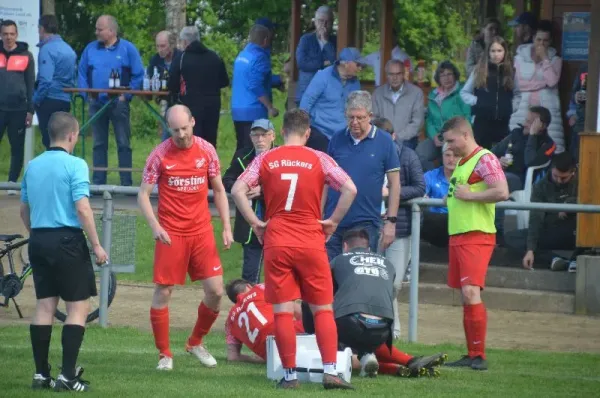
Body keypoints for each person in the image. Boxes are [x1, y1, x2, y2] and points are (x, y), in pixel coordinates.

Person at [231, 108, 358, 390]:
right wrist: (333, 222)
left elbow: (238, 189)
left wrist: (256, 223)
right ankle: (330, 372)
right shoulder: (319, 158)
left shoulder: (265, 157)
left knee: (283, 311)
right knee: (323, 309)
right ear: (308, 132)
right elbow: (350, 188)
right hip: (311, 238)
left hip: (278, 238)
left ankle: (289, 376)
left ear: (283, 131)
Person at [137, 104, 234, 371]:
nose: (181, 134)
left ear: (193, 121)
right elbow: (143, 194)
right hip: (172, 232)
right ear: (169, 127)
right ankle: (164, 354)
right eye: (175, 129)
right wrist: (156, 226)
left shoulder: (207, 150)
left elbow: (220, 190)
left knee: (215, 292)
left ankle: (195, 342)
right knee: (164, 290)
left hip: (201, 231)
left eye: (184, 127)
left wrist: (226, 226)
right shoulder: (159, 155)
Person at [20, 112, 108, 392]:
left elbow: (24, 209)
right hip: (67, 239)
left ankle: (40, 374)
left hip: (39, 238)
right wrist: (96, 245)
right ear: (72, 135)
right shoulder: (76, 164)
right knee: (77, 307)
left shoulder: (32, 165)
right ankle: (68, 376)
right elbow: (82, 208)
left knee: (45, 305)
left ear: (49, 135)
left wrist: (35, 234)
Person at [330, 229, 446, 377]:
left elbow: (323, 297)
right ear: (369, 248)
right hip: (384, 329)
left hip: (351, 325)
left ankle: (373, 360)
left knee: (331, 327)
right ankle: (405, 362)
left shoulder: (339, 260)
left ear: (345, 246)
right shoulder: (387, 263)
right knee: (366, 334)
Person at [441, 116, 509, 371]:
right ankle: (472, 353)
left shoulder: (485, 159)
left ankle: (478, 355)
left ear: (465, 135)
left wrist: (470, 196)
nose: (449, 146)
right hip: (460, 234)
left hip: (476, 234)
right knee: (466, 295)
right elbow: (457, 196)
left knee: (470, 292)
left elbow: (502, 191)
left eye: (451, 140)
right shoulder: (463, 163)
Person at [324, 91, 400, 260]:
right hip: (333, 221)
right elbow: (326, 180)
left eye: (360, 117)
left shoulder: (385, 141)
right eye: (350, 117)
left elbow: (395, 184)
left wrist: (391, 222)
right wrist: (320, 216)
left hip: (365, 224)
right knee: (328, 278)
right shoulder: (337, 139)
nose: (354, 122)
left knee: (358, 277)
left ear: (370, 116)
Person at [78, 15, 144, 187]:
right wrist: (86, 95)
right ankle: (99, 183)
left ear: (112, 31)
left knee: (123, 143)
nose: (96, 32)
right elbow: (82, 73)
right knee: (99, 143)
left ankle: (126, 184)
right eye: (96, 29)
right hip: (96, 103)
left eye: (100, 29)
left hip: (118, 103)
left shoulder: (128, 49)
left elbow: (139, 75)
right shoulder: (90, 49)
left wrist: (126, 95)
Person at [377, 122, 425, 339]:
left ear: (394, 134)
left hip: (400, 227)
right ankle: (390, 331)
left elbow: (419, 187)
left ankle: (391, 327)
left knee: (393, 282)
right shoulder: (369, 154)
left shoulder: (408, 156)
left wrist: (391, 192)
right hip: (370, 225)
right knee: (377, 280)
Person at [505, 152, 580, 272]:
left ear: (573, 172)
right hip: (550, 230)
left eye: (564, 178)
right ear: (551, 169)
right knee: (511, 238)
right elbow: (536, 218)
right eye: (556, 176)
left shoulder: (584, 182)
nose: (559, 181)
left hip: (575, 231)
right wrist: (530, 250)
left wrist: (570, 205)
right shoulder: (540, 187)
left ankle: (574, 260)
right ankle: (558, 261)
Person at [222, 119, 276, 283]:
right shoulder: (242, 156)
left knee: (277, 271)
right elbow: (227, 180)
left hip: (275, 221)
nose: (260, 139)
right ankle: (250, 304)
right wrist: (243, 189)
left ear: (272, 136)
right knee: (250, 273)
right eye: (256, 135)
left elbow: (286, 184)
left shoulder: (281, 156)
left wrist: (263, 190)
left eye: (264, 135)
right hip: (249, 224)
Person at [168, 26, 229, 149]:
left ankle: (193, 167)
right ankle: (211, 166)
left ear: (184, 42)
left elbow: (172, 85)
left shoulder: (181, 59)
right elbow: (224, 81)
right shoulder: (214, 57)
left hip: (190, 106)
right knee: (210, 142)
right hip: (212, 105)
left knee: (192, 141)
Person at [510, 20, 565, 152]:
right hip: (522, 106)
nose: (541, 43)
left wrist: (545, 59)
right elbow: (518, 83)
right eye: (538, 39)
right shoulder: (519, 58)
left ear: (550, 41)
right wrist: (541, 84)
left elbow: (552, 81)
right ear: (533, 38)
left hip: (548, 108)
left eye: (545, 40)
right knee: (518, 147)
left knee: (550, 148)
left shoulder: (555, 60)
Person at [300, 47, 363, 153]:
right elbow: (306, 103)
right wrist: (301, 131)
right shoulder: (323, 76)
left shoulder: (355, 83)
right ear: (346, 63)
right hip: (320, 133)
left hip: (344, 135)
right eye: (358, 64)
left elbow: (357, 108)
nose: (360, 68)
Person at [0, 19, 35, 194]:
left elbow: (30, 85)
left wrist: (30, 110)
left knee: (17, 147)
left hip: (19, 109)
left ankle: (12, 183)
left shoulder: (26, 55)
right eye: (5, 34)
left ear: (17, 35)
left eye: (12, 34)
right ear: (1, 34)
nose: (8, 37)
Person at [415, 61, 470, 172]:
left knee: (451, 157)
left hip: (456, 136)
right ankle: (434, 178)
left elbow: (467, 117)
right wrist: (434, 135)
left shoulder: (462, 93)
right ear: (438, 78)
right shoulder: (433, 95)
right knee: (419, 154)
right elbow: (429, 120)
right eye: (442, 75)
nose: (446, 78)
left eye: (449, 74)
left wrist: (455, 136)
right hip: (438, 137)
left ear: (455, 75)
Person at [231, 24, 279, 152]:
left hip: (237, 110)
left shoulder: (242, 55)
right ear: (265, 40)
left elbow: (246, 78)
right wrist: (270, 107)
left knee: (242, 148)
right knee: (253, 150)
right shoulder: (260, 57)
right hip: (253, 111)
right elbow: (255, 85)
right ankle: (234, 172)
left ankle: (237, 172)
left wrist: (277, 81)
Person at [461, 36, 513, 150]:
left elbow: (518, 93)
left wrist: (511, 106)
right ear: (488, 52)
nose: (496, 54)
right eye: (493, 51)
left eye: (499, 50)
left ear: (505, 52)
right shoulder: (479, 70)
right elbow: (464, 93)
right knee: (480, 156)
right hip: (482, 123)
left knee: (502, 156)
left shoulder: (511, 72)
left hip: (504, 123)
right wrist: (478, 101)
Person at [33, 15, 77, 150]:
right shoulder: (69, 49)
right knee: (63, 141)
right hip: (65, 99)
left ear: (42, 29)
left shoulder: (47, 49)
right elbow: (73, 78)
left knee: (50, 142)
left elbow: (45, 80)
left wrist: (36, 100)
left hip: (49, 99)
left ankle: (51, 170)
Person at [372, 59, 425, 150]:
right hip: (383, 139)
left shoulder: (416, 93)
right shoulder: (378, 93)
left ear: (404, 74)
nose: (394, 78)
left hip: (407, 140)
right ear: (386, 75)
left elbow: (417, 122)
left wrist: (398, 137)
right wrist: (386, 137)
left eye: (398, 74)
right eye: (391, 74)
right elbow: (374, 119)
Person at [295, 5, 337, 105]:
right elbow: (302, 63)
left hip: (327, 95)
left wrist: (325, 41)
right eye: (321, 21)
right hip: (306, 92)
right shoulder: (306, 39)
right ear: (315, 22)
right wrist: (323, 64)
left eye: (328, 21)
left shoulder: (335, 41)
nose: (324, 25)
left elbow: (335, 61)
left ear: (332, 22)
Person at [148, 30, 182, 142]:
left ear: (172, 45)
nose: (160, 49)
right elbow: (149, 76)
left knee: (171, 129)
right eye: (157, 46)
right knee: (168, 130)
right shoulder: (155, 59)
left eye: (163, 46)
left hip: (181, 100)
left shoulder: (181, 57)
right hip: (165, 99)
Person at [422, 143, 458, 248]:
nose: (451, 159)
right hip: (434, 225)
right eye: (447, 155)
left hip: (458, 223)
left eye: (455, 155)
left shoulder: (469, 177)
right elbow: (422, 193)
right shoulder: (430, 175)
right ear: (442, 156)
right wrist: (423, 197)